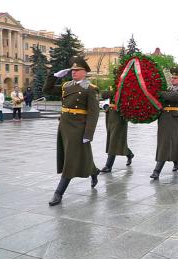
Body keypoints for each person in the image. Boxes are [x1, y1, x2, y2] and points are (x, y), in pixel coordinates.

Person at [43, 56, 100, 206]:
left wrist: (89, 134)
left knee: (70, 159)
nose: (74, 72)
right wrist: (53, 76)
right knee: (77, 155)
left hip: (78, 128)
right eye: (72, 70)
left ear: (85, 72)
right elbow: (47, 90)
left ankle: (58, 193)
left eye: (77, 70)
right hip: (64, 126)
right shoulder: (66, 86)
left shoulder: (90, 88)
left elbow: (94, 113)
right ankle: (93, 171)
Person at [150, 67, 178, 180]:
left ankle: (157, 170)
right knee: (166, 142)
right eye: (172, 78)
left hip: (173, 119)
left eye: (175, 78)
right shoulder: (169, 89)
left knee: (168, 143)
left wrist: (160, 93)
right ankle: (176, 160)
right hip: (164, 118)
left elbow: (172, 97)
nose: (172, 80)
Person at [99, 89, 135, 173]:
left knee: (114, 140)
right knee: (113, 139)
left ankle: (108, 166)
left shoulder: (127, 88)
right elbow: (104, 95)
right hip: (110, 115)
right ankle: (129, 154)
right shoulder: (114, 87)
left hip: (120, 116)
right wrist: (113, 90)